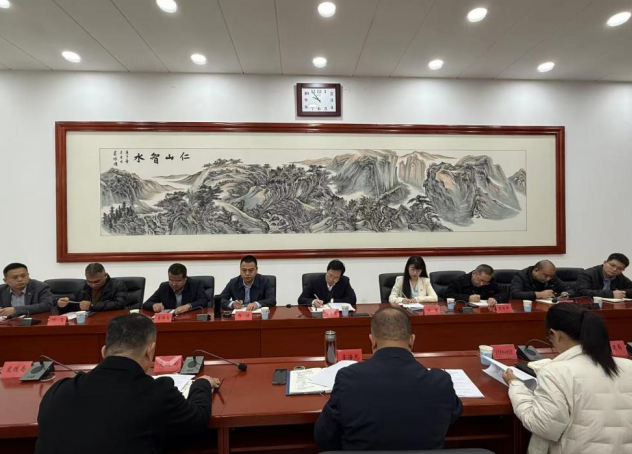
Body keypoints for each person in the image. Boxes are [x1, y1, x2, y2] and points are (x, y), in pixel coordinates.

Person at [35, 313, 219, 454]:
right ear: (150, 351)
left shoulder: (58, 390)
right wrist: (201, 384)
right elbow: (197, 420)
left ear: (104, 352)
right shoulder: (157, 393)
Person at [314, 307, 462, 451]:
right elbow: (453, 415)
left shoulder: (348, 378)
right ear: (412, 341)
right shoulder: (440, 381)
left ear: (372, 341)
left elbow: (324, 436)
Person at [503, 303, 632, 454]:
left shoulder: (555, 372)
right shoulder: (628, 365)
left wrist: (515, 385)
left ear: (556, 334)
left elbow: (543, 426)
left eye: (549, 337)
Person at [55, 263, 128, 313]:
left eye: (97, 281)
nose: (93, 285)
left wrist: (92, 306)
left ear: (105, 276)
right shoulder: (82, 287)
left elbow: (119, 304)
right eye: (89, 282)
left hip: (110, 321)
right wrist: (62, 305)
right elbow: (74, 306)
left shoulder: (117, 285)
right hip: (88, 322)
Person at [142, 263, 207, 315]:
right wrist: (154, 305)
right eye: (171, 280)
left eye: (178, 281)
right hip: (170, 321)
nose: (174, 284)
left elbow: (203, 301)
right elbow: (146, 304)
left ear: (185, 278)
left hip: (190, 318)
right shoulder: (164, 286)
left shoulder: (195, 285)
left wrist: (188, 306)